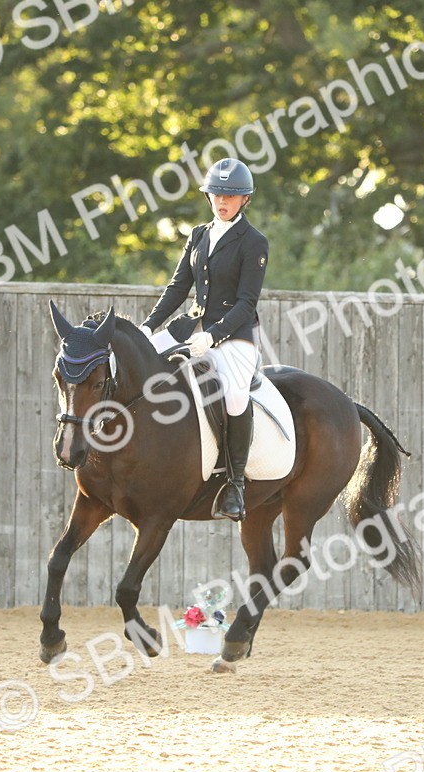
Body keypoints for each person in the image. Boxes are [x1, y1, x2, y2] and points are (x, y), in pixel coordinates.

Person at [140, 157, 268, 522]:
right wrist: (149, 328)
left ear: (245, 200)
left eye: (230, 195)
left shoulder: (254, 242)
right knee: (136, 360)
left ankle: (236, 484)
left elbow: (247, 303)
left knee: (234, 394)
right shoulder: (198, 234)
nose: (222, 201)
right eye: (216, 194)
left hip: (234, 337)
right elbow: (179, 286)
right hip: (191, 327)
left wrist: (213, 336)